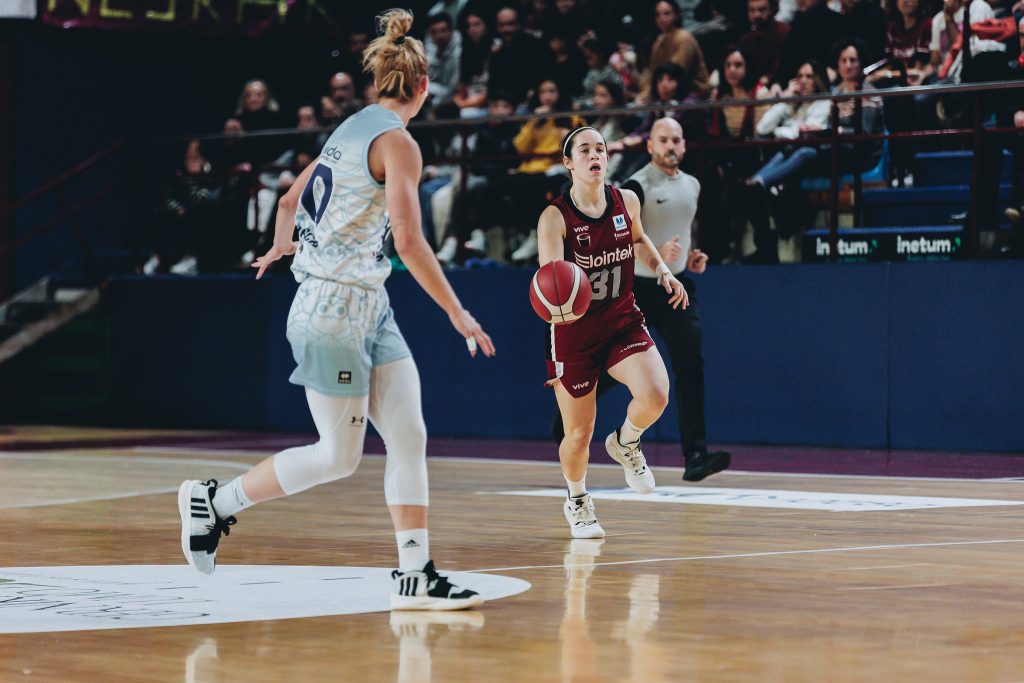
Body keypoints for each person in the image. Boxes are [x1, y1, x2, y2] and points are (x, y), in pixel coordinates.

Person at [177, 8, 495, 612]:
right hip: (332, 309)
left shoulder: (349, 127)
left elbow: (293, 196)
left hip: (367, 304)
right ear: (424, 89)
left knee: (408, 431)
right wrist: (458, 312)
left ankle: (416, 573)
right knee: (337, 456)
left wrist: (278, 241)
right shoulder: (398, 142)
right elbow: (409, 241)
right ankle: (214, 502)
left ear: (380, 84)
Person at [552, 119, 731, 483]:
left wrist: (684, 259)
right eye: (663, 139)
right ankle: (570, 419)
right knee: (611, 365)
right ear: (649, 145)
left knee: (688, 361)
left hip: (673, 283)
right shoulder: (634, 186)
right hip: (634, 288)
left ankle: (694, 453)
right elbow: (629, 235)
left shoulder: (693, 184)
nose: (671, 145)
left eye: (677, 139)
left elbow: (678, 230)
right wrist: (655, 257)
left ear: (684, 145)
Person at [537, 125, 688, 539]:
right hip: (573, 332)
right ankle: (578, 498)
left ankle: (625, 442)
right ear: (569, 163)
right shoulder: (555, 217)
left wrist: (661, 270)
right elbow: (550, 278)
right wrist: (559, 302)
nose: (594, 155)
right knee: (579, 433)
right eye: (584, 150)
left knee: (657, 393)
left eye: (600, 148)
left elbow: (638, 238)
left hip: (621, 319)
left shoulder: (627, 200)